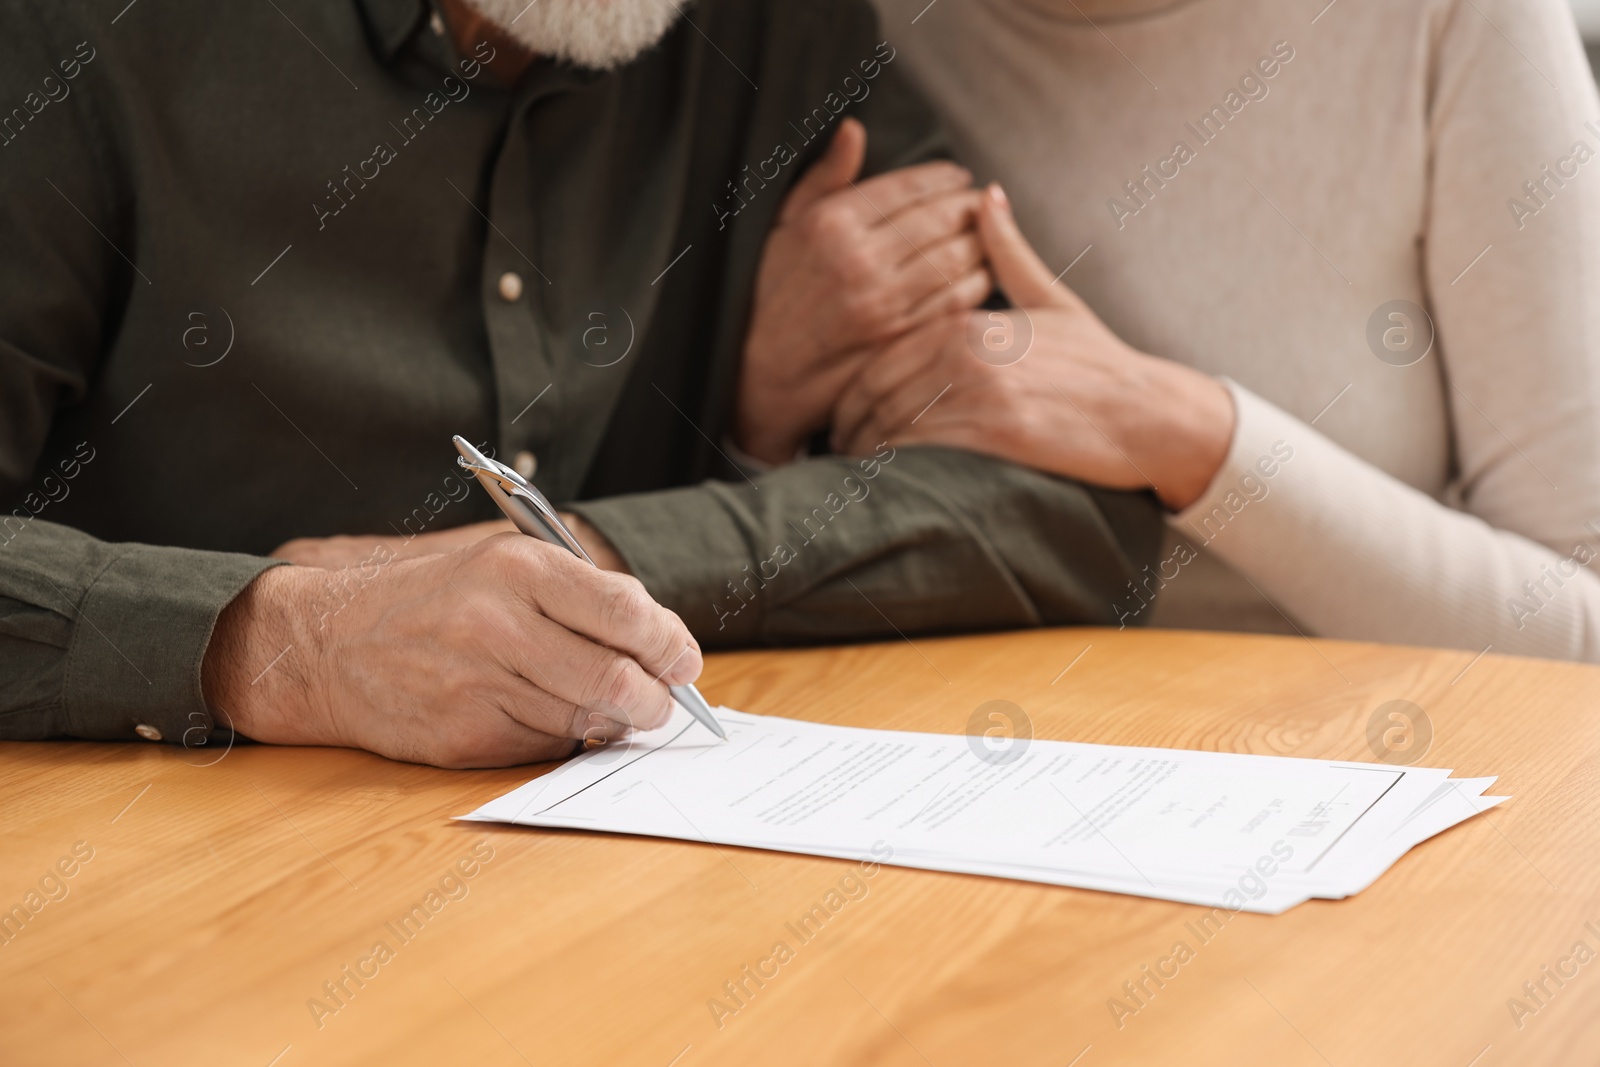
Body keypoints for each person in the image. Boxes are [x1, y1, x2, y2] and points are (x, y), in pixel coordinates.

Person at [0, 0, 1161, 767]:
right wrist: (288, 642)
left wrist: (594, 564)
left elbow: (1072, 497)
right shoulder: (75, 39)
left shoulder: (774, 28)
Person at [849, 0, 1600, 660]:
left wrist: (1189, 435)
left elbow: (1582, 631)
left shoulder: (1455, 18)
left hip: (1366, 772)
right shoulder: (855, 26)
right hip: (954, 753)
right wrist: (761, 413)